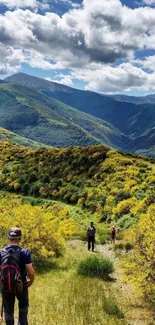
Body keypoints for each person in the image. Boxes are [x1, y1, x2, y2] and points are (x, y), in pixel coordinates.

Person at [0, 227, 35, 325]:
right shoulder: (24, 252)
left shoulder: (1, 252)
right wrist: (30, 282)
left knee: (8, 310)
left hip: (6, 286)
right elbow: (31, 272)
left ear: (8, 237)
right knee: (23, 307)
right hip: (21, 285)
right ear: (20, 238)